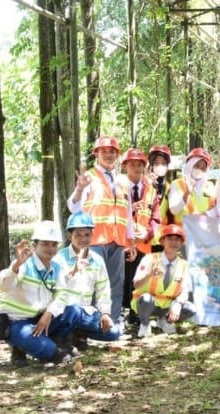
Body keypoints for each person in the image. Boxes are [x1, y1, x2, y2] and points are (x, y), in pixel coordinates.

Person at [68, 135, 137, 331]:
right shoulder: (89, 177)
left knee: (116, 283)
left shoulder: (123, 181)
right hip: (95, 241)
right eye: (104, 151)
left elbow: (128, 214)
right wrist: (80, 189)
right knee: (91, 282)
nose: (108, 155)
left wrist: (130, 241)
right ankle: (87, 325)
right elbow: (73, 207)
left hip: (118, 241)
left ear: (118, 155)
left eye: (112, 152)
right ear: (96, 154)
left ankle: (111, 323)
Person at [0, 220, 82, 366]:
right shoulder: (24, 264)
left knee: (73, 311)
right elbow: (3, 286)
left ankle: (53, 344)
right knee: (48, 351)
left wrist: (49, 313)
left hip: (40, 318)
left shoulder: (56, 267)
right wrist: (16, 265)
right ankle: (23, 347)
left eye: (54, 244)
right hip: (17, 322)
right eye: (45, 244)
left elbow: (62, 294)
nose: (50, 248)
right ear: (35, 245)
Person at [54, 212, 120, 350]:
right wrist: (73, 270)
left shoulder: (97, 260)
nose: (83, 239)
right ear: (69, 236)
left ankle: (78, 332)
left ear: (92, 235)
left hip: (85, 313)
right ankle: (60, 337)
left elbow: (103, 289)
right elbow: (53, 286)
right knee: (74, 311)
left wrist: (105, 314)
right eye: (78, 235)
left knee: (113, 332)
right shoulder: (59, 258)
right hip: (64, 312)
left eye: (87, 235)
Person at [131, 224, 196, 338]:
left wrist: (177, 304)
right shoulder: (150, 258)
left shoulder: (184, 265)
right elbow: (136, 284)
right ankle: (145, 323)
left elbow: (185, 291)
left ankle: (165, 321)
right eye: (169, 239)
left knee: (190, 309)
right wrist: (150, 274)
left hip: (167, 305)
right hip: (147, 304)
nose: (173, 242)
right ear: (162, 241)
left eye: (177, 240)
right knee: (146, 299)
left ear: (181, 244)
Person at [121, 148, 156, 324]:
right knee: (122, 278)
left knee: (139, 278)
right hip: (122, 242)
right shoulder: (118, 186)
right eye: (132, 164)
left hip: (143, 244)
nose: (136, 167)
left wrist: (148, 232)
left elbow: (155, 218)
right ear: (125, 166)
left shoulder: (151, 189)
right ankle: (119, 312)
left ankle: (136, 311)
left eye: (139, 164)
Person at [168, 147, 217, 223]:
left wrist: (206, 214)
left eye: (203, 168)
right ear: (190, 165)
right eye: (197, 166)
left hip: (204, 232)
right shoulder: (177, 184)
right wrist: (186, 193)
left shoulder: (210, 186)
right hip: (183, 232)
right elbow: (174, 210)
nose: (199, 170)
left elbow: (216, 209)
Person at [147, 144, 172, 252]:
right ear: (151, 165)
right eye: (156, 163)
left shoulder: (170, 188)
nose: (160, 166)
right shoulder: (143, 185)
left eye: (163, 163)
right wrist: (149, 185)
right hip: (145, 239)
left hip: (163, 241)